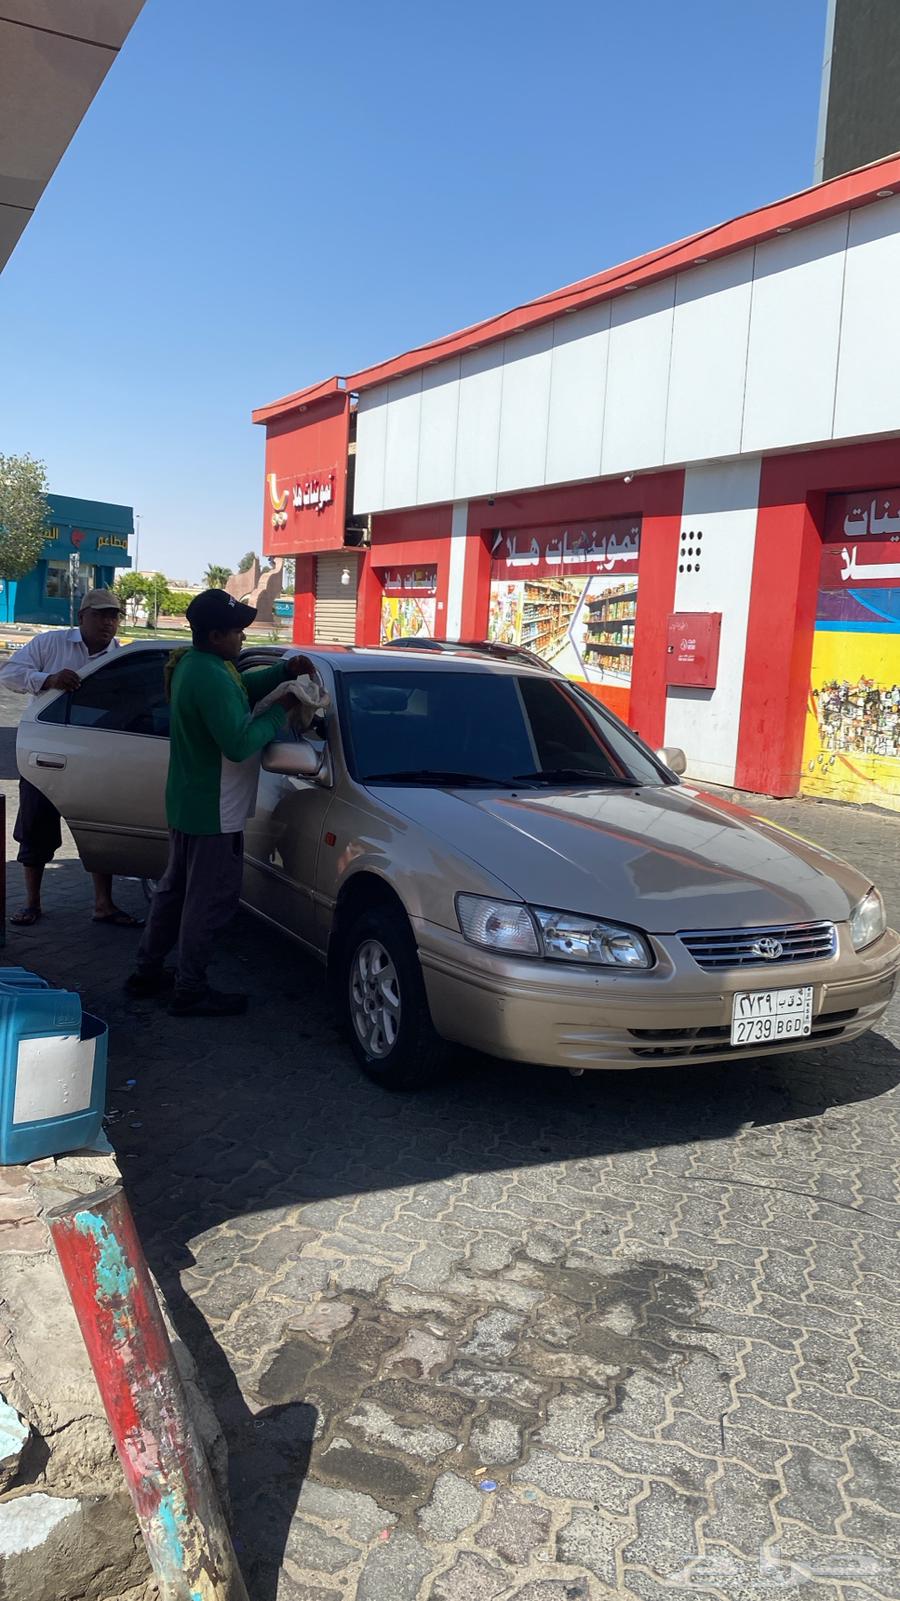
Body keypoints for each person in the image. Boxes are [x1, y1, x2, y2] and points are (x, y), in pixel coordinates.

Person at [126, 589, 315, 1017]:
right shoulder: (209, 674)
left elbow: (239, 688)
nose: (243, 639)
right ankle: (190, 989)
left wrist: (283, 670)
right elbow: (238, 742)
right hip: (213, 809)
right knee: (207, 900)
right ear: (215, 635)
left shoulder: (199, 665)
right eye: (237, 632)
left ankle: (147, 971)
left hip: (190, 803)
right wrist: (284, 707)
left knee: (175, 891)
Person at [0, 588, 144, 929]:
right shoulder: (51, 644)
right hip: (46, 754)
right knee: (36, 827)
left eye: (114, 616)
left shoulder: (119, 658)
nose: (108, 622)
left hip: (97, 758)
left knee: (98, 831)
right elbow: (7, 674)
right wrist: (47, 680)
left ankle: (103, 904)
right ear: (82, 617)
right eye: (100, 615)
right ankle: (31, 903)